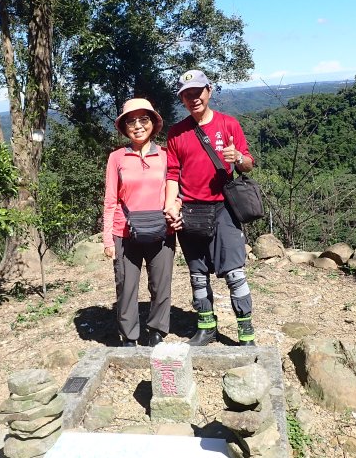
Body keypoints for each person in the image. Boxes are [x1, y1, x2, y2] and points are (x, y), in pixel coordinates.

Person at [163, 70, 257, 346]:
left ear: (209, 91)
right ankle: (206, 327)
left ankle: (246, 333)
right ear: (182, 98)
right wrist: (171, 203)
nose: (193, 99)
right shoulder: (176, 132)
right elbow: (172, 173)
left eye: (198, 92)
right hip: (191, 209)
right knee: (197, 273)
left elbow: (249, 164)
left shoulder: (229, 125)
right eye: (187, 94)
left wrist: (238, 157)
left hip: (224, 209)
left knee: (235, 273)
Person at [103, 98, 176, 347]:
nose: (137, 125)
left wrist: (176, 209)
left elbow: (176, 190)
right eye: (131, 121)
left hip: (161, 229)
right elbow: (110, 200)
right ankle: (129, 335)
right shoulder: (117, 158)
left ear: (152, 123)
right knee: (126, 285)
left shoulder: (166, 155)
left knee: (161, 284)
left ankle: (156, 330)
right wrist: (107, 239)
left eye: (143, 119)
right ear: (124, 127)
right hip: (124, 231)